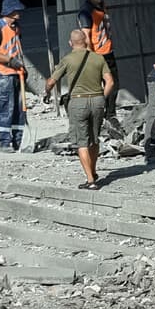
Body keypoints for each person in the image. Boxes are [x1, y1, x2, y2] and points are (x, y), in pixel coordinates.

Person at [43, 28, 115, 189]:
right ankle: (94, 170)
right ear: (86, 41)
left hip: (78, 102)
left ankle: (90, 180)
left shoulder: (67, 60)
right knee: (94, 138)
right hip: (97, 101)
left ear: (71, 43)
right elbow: (110, 82)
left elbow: (51, 82)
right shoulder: (98, 58)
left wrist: (47, 93)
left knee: (82, 141)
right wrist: (102, 97)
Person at [0, 0, 34, 152]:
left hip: (17, 72)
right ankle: (4, 141)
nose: (19, 13)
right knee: (6, 107)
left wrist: (22, 67)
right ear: (10, 12)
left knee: (19, 108)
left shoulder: (16, 27)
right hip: (4, 72)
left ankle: (18, 139)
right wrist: (10, 61)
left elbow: (18, 49)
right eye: (17, 11)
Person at [75, 0, 119, 113]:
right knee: (107, 84)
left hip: (108, 51)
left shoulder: (102, 6)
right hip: (98, 54)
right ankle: (104, 112)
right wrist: (91, 56)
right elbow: (86, 36)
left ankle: (109, 112)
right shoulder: (86, 11)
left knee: (112, 85)